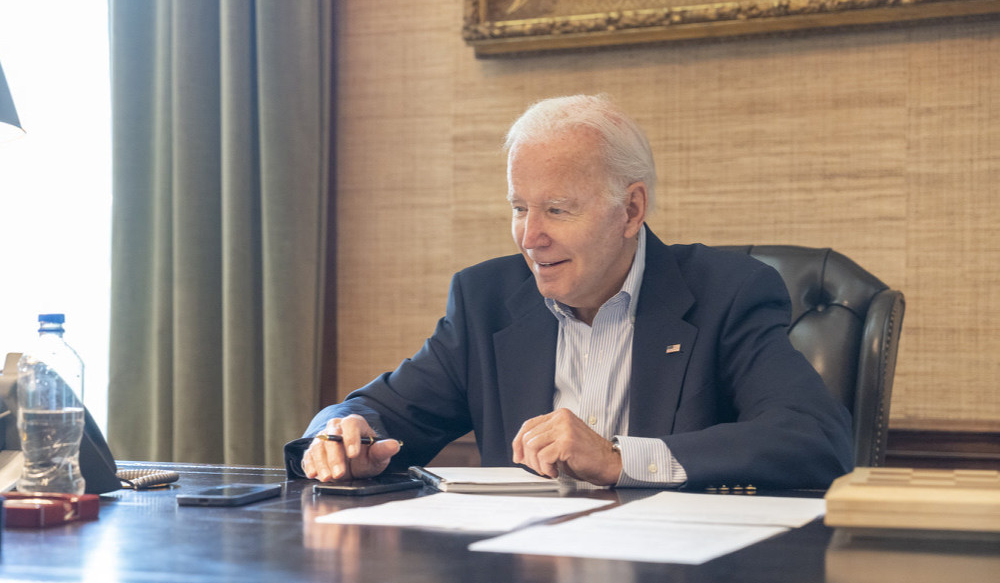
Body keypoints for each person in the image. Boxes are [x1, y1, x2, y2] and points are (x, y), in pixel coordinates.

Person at [285, 94, 853, 489]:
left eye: (557, 210)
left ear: (631, 210)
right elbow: (374, 410)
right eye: (519, 208)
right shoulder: (486, 300)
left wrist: (616, 459)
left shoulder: (727, 293)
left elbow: (813, 441)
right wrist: (341, 438)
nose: (530, 238)